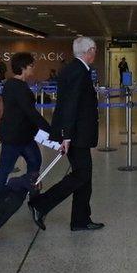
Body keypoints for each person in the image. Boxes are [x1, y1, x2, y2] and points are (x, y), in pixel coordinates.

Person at [29, 36, 103, 231]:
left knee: (84, 176)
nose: (95, 53)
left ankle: (80, 220)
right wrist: (67, 136)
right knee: (81, 175)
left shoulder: (72, 69)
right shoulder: (79, 72)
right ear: (90, 51)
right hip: (76, 135)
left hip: (77, 134)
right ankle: (41, 204)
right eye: (94, 49)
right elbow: (70, 105)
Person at [0, 52, 52, 197]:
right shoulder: (19, 87)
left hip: (23, 135)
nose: (33, 68)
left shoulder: (11, 84)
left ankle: (33, 195)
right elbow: (31, 113)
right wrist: (51, 131)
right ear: (23, 67)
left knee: (35, 161)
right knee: (5, 169)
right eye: (31, 65)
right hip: (15, 136)